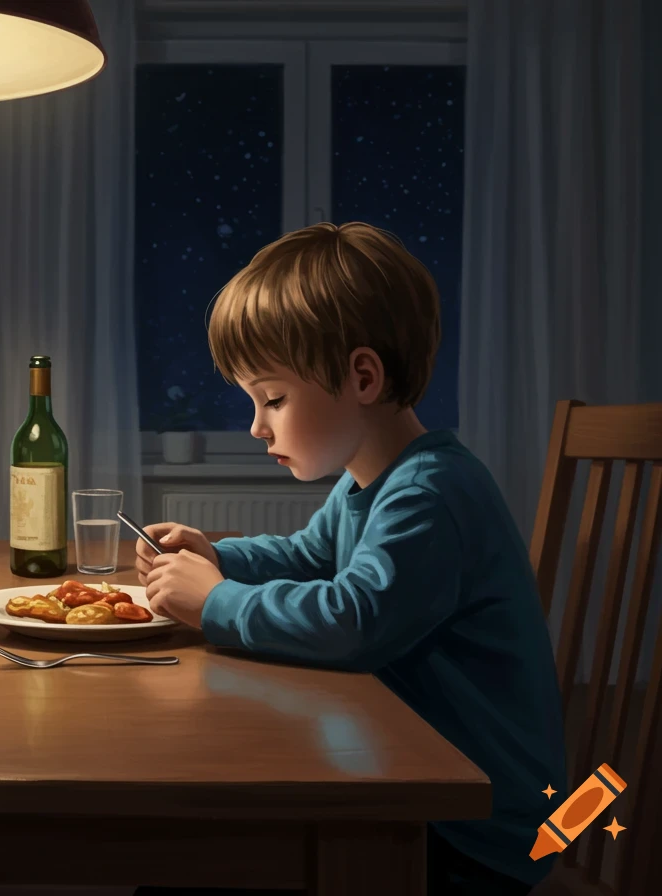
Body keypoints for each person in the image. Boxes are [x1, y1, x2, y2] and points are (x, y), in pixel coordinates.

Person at [132, 222, 566, 896]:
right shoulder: (374, 479)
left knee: (193, 859)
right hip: (421, 780)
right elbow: (311, 556)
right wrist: (217, 553)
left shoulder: (428, 495)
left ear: (363, 376)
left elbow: (355, 619)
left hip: (474, 828)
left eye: (272, 398)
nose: (256, 426)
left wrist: (215, 601)